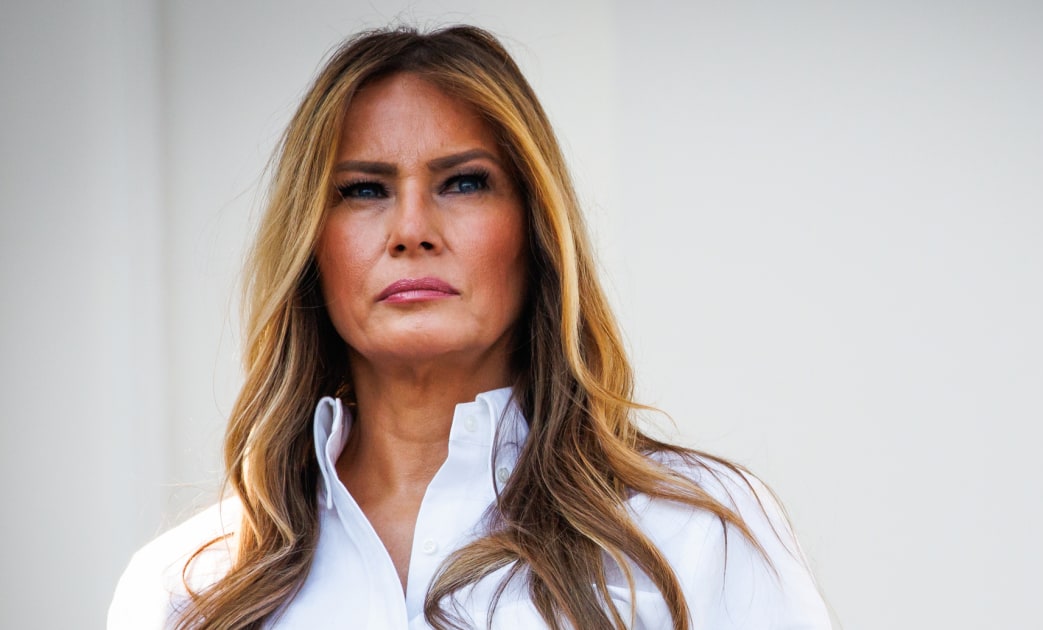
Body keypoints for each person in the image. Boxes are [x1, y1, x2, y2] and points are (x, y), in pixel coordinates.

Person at [108, 25, 832, 630]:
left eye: (464, 182)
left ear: (534, 229)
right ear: (311, 245)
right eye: (364, 190)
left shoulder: (698, 535)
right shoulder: (187, 589)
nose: (411, 229)